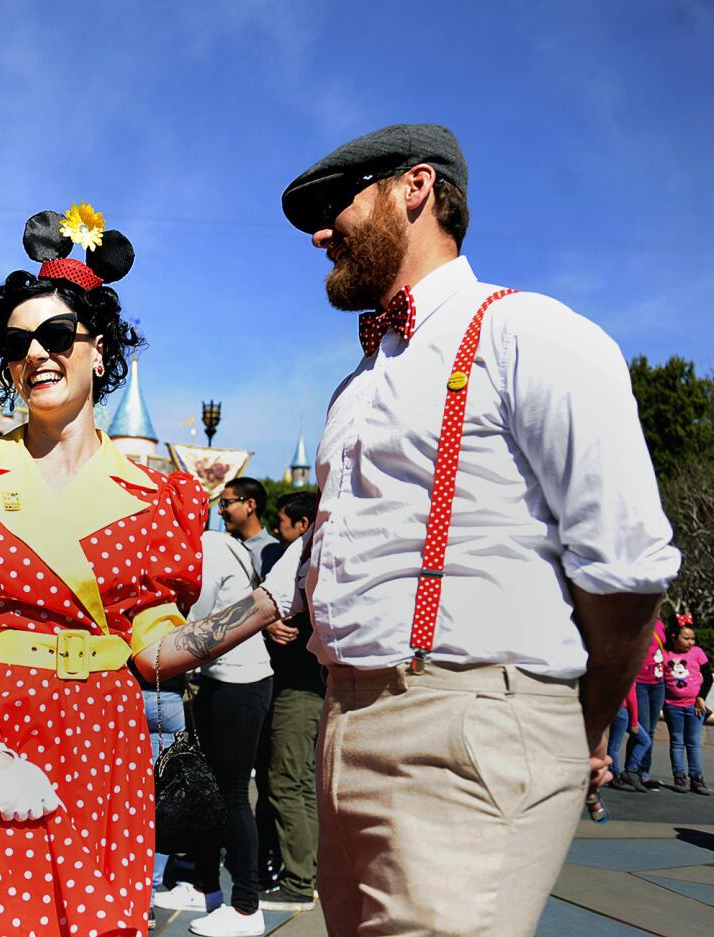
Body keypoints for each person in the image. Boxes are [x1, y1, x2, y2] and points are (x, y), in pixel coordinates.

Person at [265, 124, 681, 936]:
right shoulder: (358, 384)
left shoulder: (530, 332)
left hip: (469, 719)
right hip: (343, 721)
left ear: (414, 187)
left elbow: (627, 567)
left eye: (332, 204)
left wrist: (579, 721)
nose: (319, 232)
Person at [0, 206, 279, 937]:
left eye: (57, 335)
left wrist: (271, 601)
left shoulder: (156, 498)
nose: (37, 354)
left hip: (104, 742)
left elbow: (154, 650)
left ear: (99, 350)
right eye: (17, 342)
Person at [155, 527, 273, 936]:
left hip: (239, 681)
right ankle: (205, 888)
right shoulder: (217, 544)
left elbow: (193, 618)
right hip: (220, 680)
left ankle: (246, 906)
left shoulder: (209, 547)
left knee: (232, 793)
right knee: (209, 790)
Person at [257, 491, 321, 914]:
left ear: (302, 526)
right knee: (300, 784)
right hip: (309, 688)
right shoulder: (308, 564)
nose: (277, 531)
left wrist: (271, 623)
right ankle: (306, 873)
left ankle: (299, 881)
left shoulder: (302, 563)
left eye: (282, 523)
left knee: (286, 782)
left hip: (298, 691)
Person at [662, 619, 710, 795]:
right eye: (686, 638)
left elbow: (708, 677)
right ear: (674, 638)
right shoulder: (665, 654)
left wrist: (701, 698)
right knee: (677, 741)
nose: (691, 642)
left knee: (694, 742)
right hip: (673, 706)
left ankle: (696, 777)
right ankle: (679, 775)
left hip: (694, 706)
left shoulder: (697, 652)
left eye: (693, 638)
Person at [631, 618, 669, 788]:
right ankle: (631, 770)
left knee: (651, 730)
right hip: (640, 683)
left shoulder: (660, 624)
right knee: (642, 729)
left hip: (658, 683)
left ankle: (644, 772)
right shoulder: (636, 620)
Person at [220, 478, 281, 578]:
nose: (220, 511)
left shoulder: (275, 554)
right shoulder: (224, 548)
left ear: (250, 505)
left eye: (226, 503)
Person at [606, 686, 652, 792]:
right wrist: (634, 721)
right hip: (621, 709)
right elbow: (631, 697)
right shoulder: (628, 673)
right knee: (615, 745)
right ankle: (614, 775)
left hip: (620, 708)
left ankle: (631, 770)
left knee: (644, 740)